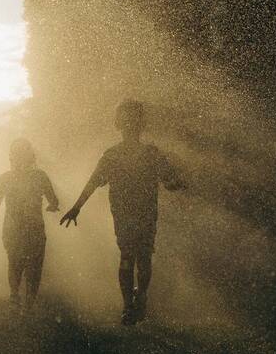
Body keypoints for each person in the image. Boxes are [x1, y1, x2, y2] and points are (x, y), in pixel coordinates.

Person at [60, 100, 186, 325]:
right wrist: (76, 207)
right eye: (128, 120)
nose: (129, 125)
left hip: (132, 214)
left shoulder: (118, 155)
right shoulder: (145, 154)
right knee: (141, 257)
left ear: (118, 124)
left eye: (131, 121)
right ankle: (136, 300)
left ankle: (131, 304)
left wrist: (77, 207)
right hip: (137, 213)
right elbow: (170, 182)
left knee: (130, 257)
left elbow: (93, 183)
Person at [0, 138, 59, 311]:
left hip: (13, 228)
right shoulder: (39, 176)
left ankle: (15, 296)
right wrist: (53, 206)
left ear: (12, 157)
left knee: (15, 263)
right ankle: (28, 302)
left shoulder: (6, 178)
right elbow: (53, 200)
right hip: (32, 228)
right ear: (31, 156)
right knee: (34, 266)